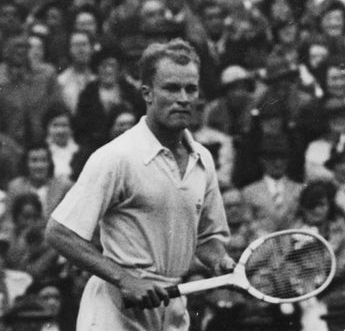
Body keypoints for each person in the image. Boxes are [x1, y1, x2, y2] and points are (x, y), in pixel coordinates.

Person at [45, 40, 234, 330]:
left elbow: (207, 239)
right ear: (147, 93)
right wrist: (124, 279)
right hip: (113, 310)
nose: (183, 98)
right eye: (171, 88)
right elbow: (59, 232)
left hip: (170, 308)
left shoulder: (203, 159)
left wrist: (220, 261)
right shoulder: (116, 156)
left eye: (190, 89)